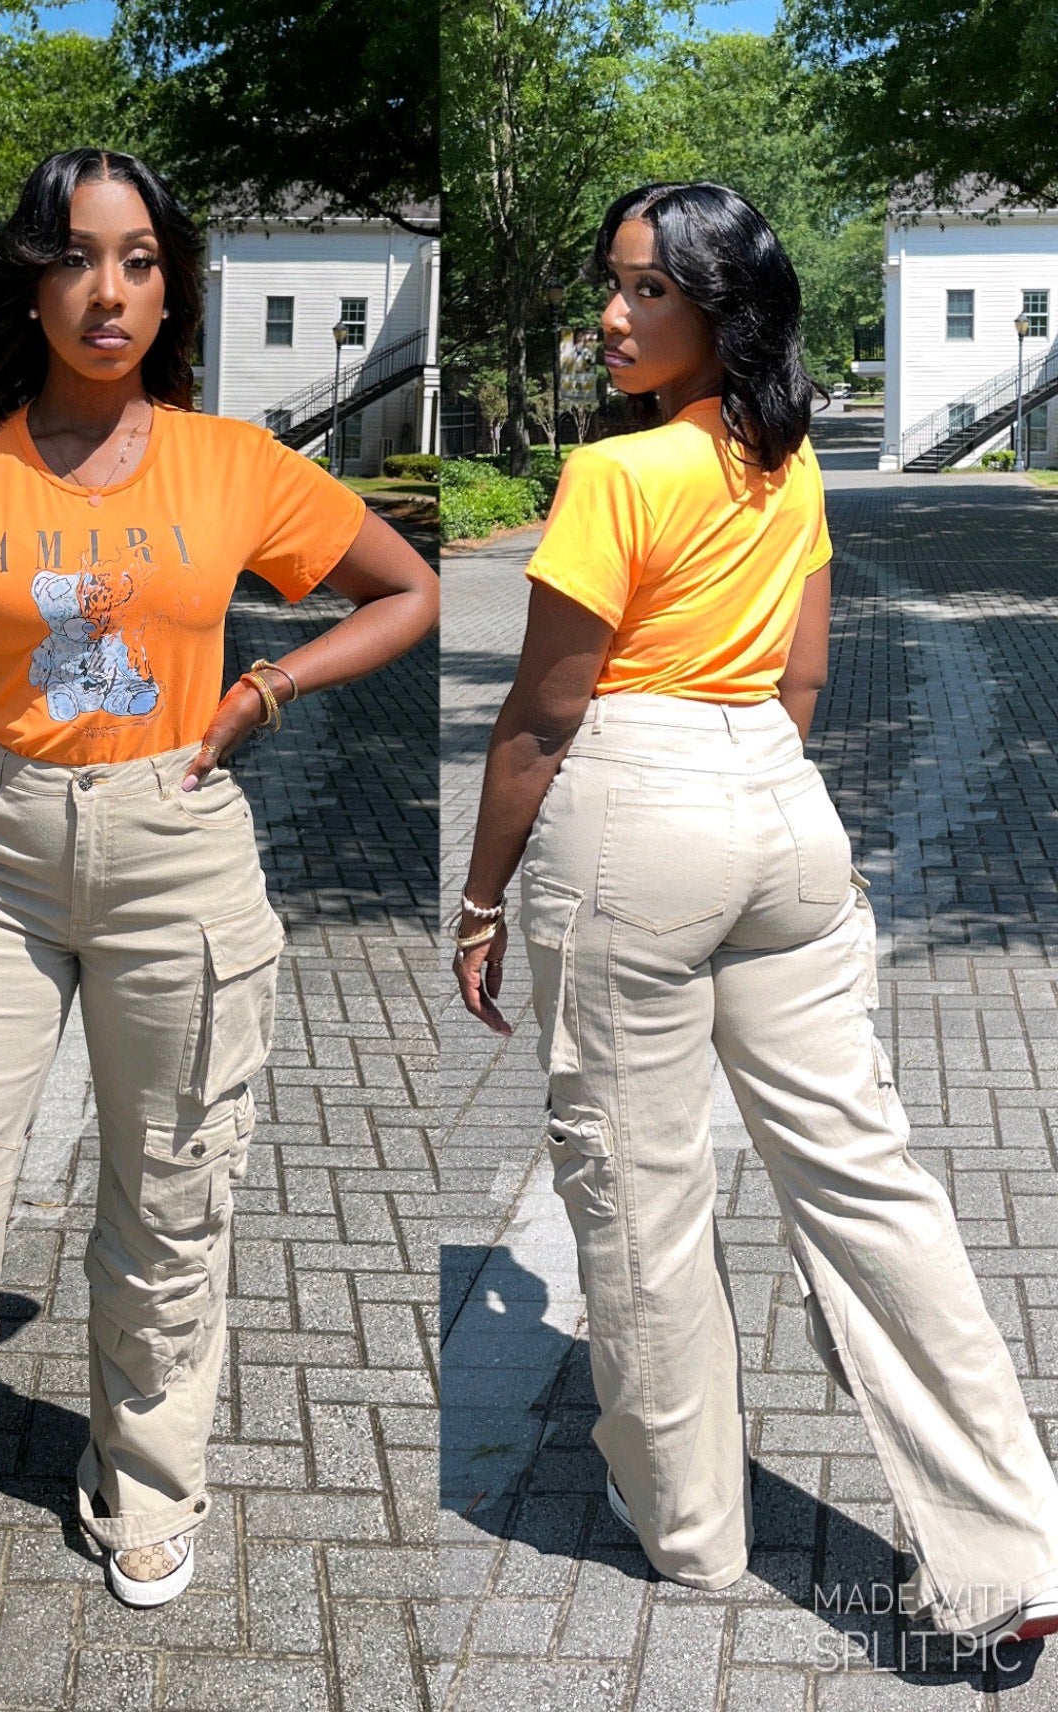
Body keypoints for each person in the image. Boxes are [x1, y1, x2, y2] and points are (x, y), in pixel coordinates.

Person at [0, 147, 438, 1698]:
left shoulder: (233, 464)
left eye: (140, 259)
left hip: (176, 849)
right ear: (31, 280)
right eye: (78, 257)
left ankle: (147, 1488)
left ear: (171, 286)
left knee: (171, 1200)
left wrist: (267, 688)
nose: (109, 290)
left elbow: (405, 588)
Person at [452, 180, 1058, 1650]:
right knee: (866, 1177)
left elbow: (542, 715)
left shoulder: (619, 475)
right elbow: (804, 677)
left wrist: (479, 898)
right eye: (611, 284)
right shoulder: (786, 466)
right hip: (784, 812)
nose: (612, 316)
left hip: (635, 812)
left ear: (723, 311)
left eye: (648, 290)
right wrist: (750, 787)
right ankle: (1011, 1546)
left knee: (641, 1187)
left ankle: (693, 1531)